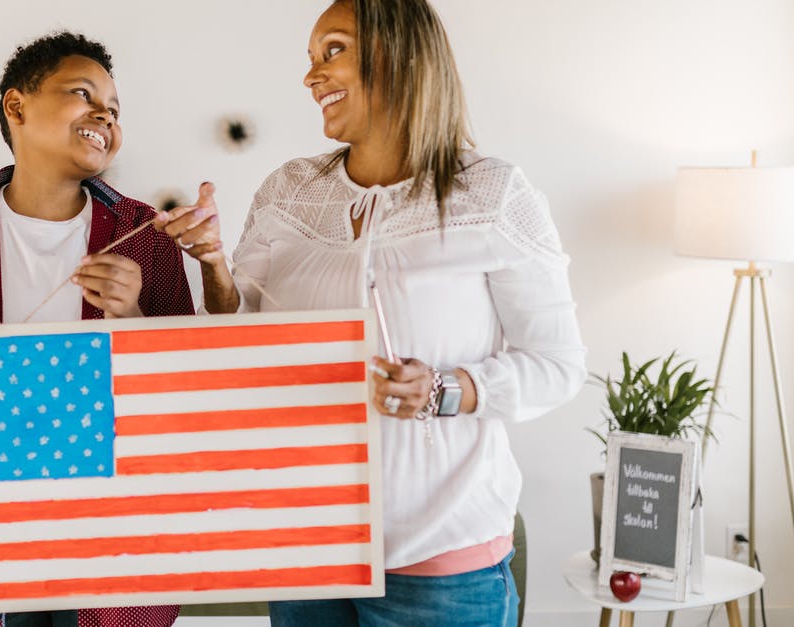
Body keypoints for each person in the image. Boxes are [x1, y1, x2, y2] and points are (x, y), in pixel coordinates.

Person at [156, 0, 586, 625]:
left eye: (333, 51)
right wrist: (214, 264)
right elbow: (237, 346)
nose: (312, 77)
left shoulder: (491, 193)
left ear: (402, 56)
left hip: (441, 565)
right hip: (307, 546)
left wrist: (445, 388)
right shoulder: (289, 191)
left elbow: (557, 365)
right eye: (309, 61)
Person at [0, 32, 190, 627]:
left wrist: (133, 318)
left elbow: (181, 400)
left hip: (110, 536)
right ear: (16, 108)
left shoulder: (146, 236)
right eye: (82, 93)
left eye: (116, 109)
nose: (105, 115)